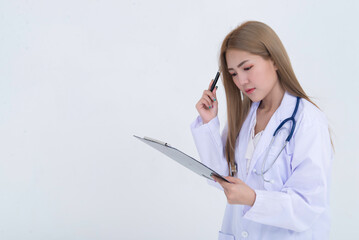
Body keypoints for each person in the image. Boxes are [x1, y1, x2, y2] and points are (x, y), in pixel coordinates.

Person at [190, 21, 333, 240]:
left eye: (247, 68)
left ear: (274, 60)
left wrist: (255, 199)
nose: (241, 81)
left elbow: (308, 206)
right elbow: (221, 179)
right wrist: (209, 122)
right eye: (233, 74)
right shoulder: (244, 117)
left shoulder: (308, 122)